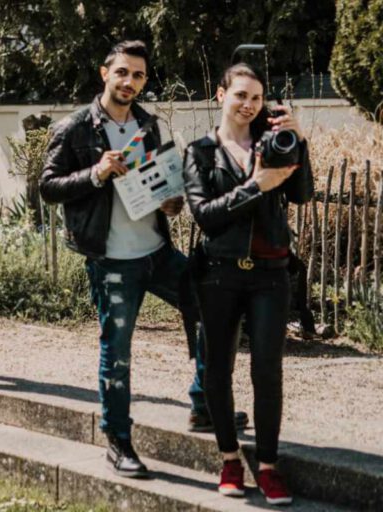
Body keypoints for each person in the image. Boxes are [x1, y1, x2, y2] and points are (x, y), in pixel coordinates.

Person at [39, 40, 246, 478]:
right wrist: (97, 172)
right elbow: (49, 186)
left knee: (213, 311)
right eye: (122, 73)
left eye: (137, 75)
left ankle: (204, 404)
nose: (129, 82)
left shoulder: (149, 125)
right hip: (112, 259)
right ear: (104, 73)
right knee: (118, 353)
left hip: (156, 251)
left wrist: (168, 203)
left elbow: (157, 184)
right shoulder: (76, 128)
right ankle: (118, 441)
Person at [182, 63, 313, 505]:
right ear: (220, 95)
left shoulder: (272, 144)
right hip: (219, 273)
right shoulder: (200, 152)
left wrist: (301, 143)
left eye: (256, 97)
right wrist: (257, 185)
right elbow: (206, 217)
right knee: (217, 370)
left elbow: (300, 194)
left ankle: (269, 466)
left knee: (267, 371)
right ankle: (230, 459)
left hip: (270, 275)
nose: (248, 104)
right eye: (240, 95)